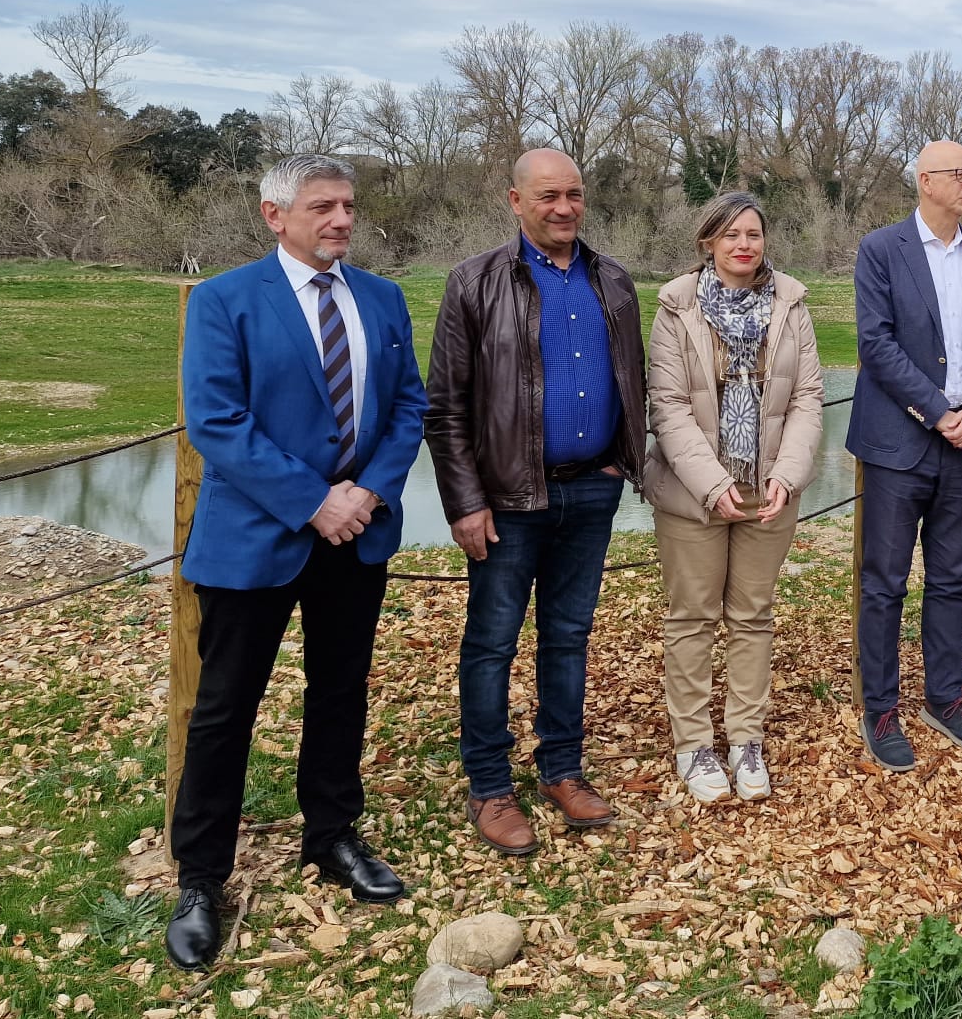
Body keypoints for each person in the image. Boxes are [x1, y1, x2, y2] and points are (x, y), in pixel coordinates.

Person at [166, 155, 428, 970]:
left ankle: (332, 836)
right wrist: (315, 500)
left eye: (348, 206)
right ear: (274, 214)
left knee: (340, 691)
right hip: (257, 540)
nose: (341, 220)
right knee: (223, 712)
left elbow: (409, 405)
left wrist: (370, 493)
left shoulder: (381, 299)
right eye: (322, 207)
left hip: (357, 537)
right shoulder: (224, 300)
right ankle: (202, 877)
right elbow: (217, 419)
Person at [425, 149, 646, 856]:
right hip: (508, 498)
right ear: (515, 201)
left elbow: (632, 377)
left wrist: (621, 462)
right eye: (548, 195)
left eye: (574, 195)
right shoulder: (475, 283)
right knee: (491, 643)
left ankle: (561, 767)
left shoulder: (612, 280)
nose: (563, 207)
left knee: (568, 635)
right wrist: (464, 501)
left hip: (591, 489)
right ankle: (489, 785)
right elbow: (447, 407)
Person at [644, 192, 824, 803]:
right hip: (694, 491)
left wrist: (788, 474)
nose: (744, 245)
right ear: (708, 243)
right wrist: (714, 482)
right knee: (692, 617)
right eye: (730, 235)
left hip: (768, 487)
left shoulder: (791, 302)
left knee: (752, 616)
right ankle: (694, 744)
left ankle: (746, 737)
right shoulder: (676, 306)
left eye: (753, 234)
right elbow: (666, 406)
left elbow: (806, 397)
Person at [847, 140, 962, 771]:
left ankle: (944, 698)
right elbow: (876, 344)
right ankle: (880, 708)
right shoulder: (881, 250)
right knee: (884, 583)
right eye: (959, 174)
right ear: (925, 181)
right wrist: (940, 410)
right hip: (898, 445)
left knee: (952, 579)